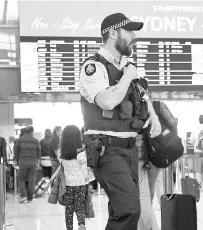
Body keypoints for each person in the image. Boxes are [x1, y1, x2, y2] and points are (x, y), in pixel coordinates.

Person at [79, 12, 161, 230]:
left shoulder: (126, 67)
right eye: (130, 31)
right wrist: (128, 76)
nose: (134, 36)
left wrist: (152, 114)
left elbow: (142, 95)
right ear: (113, 33)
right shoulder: (94, 67)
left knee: (121, 211)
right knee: (129, 209)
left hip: (131, 150)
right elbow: (107, 101)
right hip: (107, 149)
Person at [61, 125, 95, 230]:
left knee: (69, 207)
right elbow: (85, 165)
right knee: (80, 204)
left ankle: (69, 227)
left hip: (68, 184)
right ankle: (81, 224)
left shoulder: (61, 152)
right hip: (81, 182)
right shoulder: (83, 150)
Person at [14, 126, 41, 203]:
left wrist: (15, 160)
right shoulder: (36, 141)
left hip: (23, 161)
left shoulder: (19, 140)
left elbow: (16, 152)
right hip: (33, 161)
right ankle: (30, 197)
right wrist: (38, 162)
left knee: (21, 178)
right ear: (32, 132)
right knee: (31, 179)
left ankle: (23, 196)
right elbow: (39, 152)